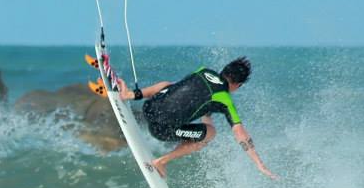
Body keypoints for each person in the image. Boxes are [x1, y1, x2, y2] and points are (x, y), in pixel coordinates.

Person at [118, 57, 277, 180]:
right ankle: (161, 161)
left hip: (148, 109)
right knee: (211, 134)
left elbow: (189, 96)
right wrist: (259, 163)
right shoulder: (224, 99)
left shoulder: (204, 71)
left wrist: (207, 115)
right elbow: (240, 133)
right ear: (238, 85)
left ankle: (130, 95)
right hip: (161, 130)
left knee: (170, 84)